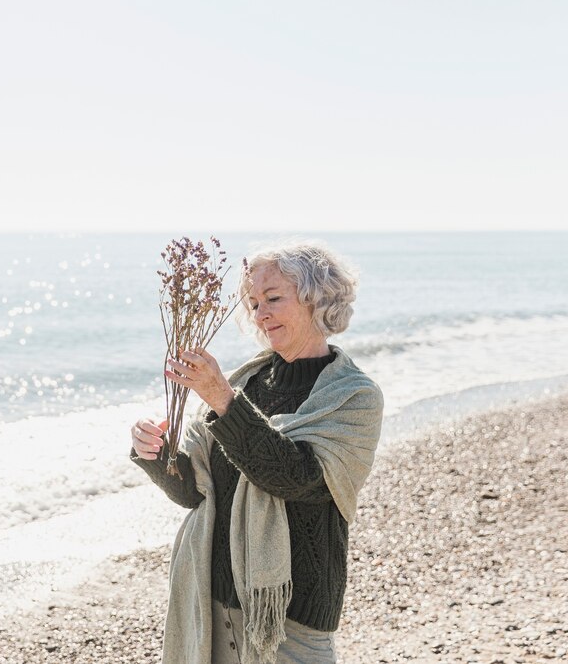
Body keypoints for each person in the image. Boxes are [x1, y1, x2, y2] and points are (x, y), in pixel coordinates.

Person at [130, 242, 384, 664]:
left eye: (273, 298)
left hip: (291, 615)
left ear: (316, 298)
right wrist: (157, 454)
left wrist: (223, 401)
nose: (260, 313)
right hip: (214, 601)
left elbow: (295, 477)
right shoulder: (245, 382)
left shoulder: (353, 397)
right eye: (253, 303)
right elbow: (194, 494)